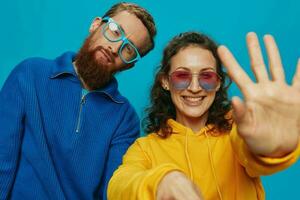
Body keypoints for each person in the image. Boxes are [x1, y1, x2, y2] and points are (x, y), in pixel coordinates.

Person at [107, 31, 300, 200]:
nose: (194, 87)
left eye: (206, 76)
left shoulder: (238, 126)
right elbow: (118, 186)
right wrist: (160, 182)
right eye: (182, 76)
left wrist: (267, 149)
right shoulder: (145, 148)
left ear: (218, 83)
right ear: (165, 82)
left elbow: (249, 147)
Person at [0, 2, 156, 200]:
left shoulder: (125, 118)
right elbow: (2, 158)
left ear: (130, 65)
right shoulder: (30, 74)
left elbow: (112, 190)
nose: (114, 47)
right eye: (115, 31)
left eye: (128, 50)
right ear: (96, 24)